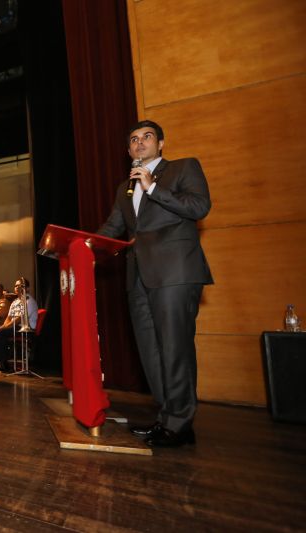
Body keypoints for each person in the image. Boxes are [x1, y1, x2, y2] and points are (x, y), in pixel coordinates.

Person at [97, 120, 213, 448]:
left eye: (146, 137)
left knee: (174, 348)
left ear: (160, 144)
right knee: (150, 351)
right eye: (133, 139)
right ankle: (168, 419)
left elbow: (199, 206)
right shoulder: (125, 188)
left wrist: (153, 188)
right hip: (138, 277)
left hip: (175, 273)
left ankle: (180, 422)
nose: (139, 143)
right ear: (128, 150)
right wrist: (76, 245)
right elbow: (111, 228)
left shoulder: (182, 168)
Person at [0, 279, 39, 371]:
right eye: (16, 286)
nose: (17, 288)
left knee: (1, 333)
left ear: (27, 288)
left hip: (25, 329)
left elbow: (19, 319)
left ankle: (2, 362)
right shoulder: (15, 302)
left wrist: (2, 328)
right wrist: (1, 327)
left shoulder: (29, 301)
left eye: (20, 286)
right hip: (14, 327)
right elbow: (8, 318)